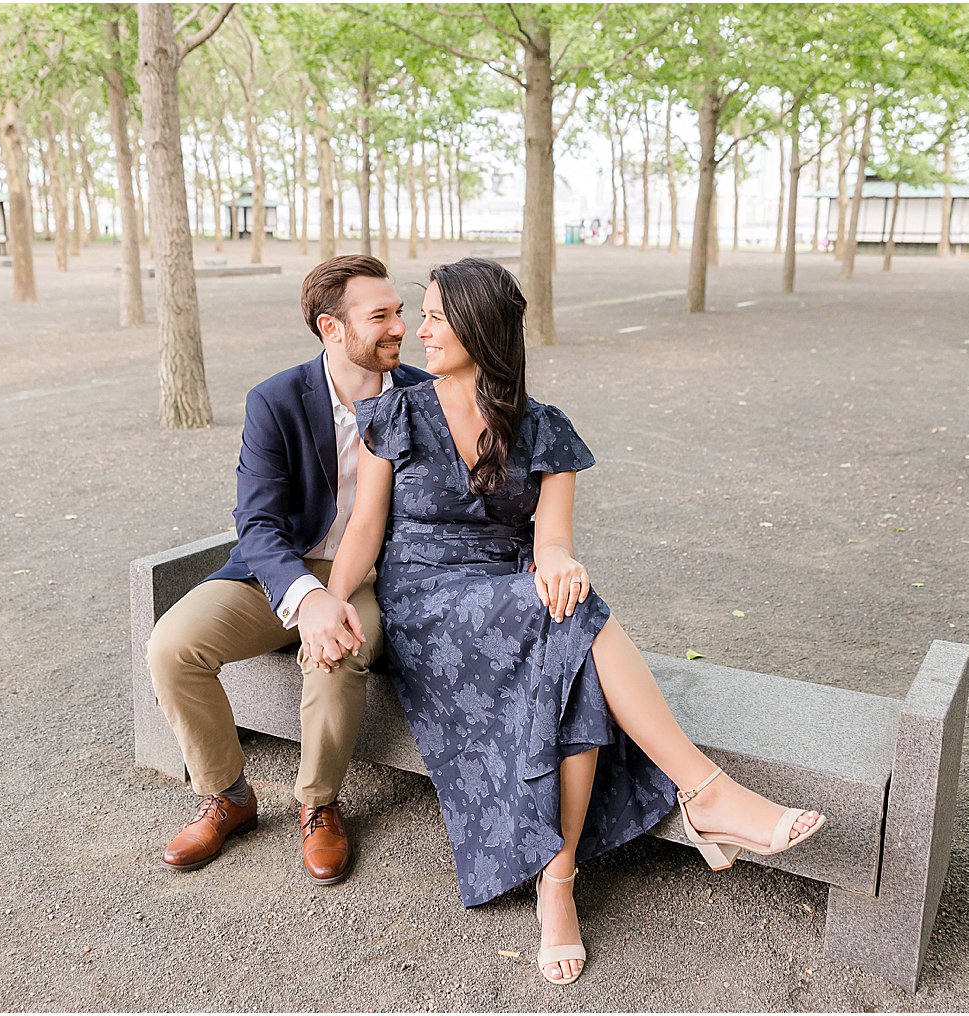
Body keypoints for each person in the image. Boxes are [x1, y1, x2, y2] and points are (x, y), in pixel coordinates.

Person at [319, 258, 825, 986]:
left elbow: (552, 539)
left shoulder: (545, 429)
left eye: (434, 316)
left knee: (567, 624)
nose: (420, 330)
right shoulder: (396, 414)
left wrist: (557, 563)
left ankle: (559, 887)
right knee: (568, 620)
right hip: (427, 607)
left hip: (510, 597)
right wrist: (335, 600)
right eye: (420, 315)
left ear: (481, 328)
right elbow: (366, 527)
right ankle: (703, 794)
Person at [146, 254, 433, 885]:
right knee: (171, 645)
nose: (399, 328)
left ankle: (319, 804)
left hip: (370, 575)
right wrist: (305, 597)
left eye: (400, 313)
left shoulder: (423, 396)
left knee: (337, 653)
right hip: (272, 572)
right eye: (380, 316)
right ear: (332, 329)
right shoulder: (274, 401)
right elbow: (257, 520)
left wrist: (338, 597)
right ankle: (227, 795)